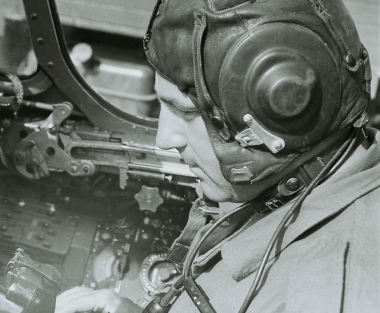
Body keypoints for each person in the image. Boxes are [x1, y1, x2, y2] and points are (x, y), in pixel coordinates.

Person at [55, 0, 380, 312]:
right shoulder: (287, 191)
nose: (164, 139)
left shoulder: (333, 289)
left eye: (183, 111)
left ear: (280, 117)